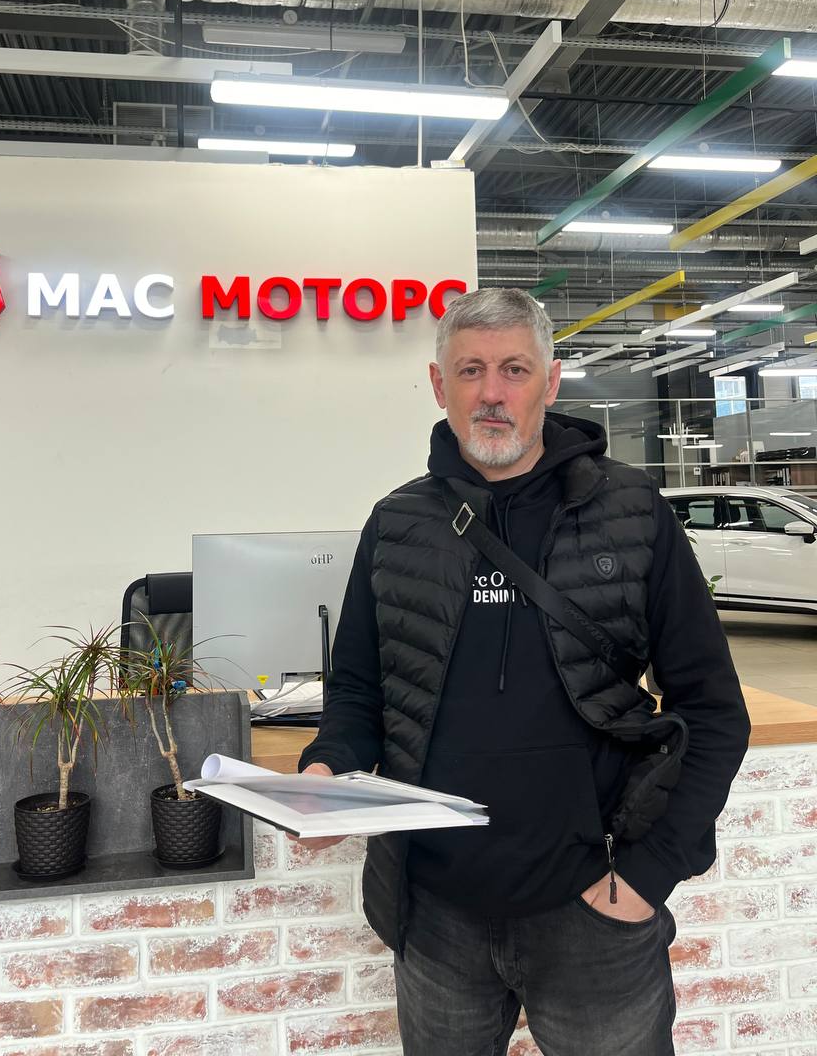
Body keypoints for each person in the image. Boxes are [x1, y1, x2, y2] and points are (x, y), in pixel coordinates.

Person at [297, 287, 750, 1056]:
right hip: (435, 914)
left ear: (551, 380)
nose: (492, 393)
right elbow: (359, 690)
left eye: (514, 369)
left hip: (594, 910)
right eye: (470, 371)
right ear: (439, 386)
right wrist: (324, 769)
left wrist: (649, 875)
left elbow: (712, 710)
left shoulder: (632, 512)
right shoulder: (398, 524)